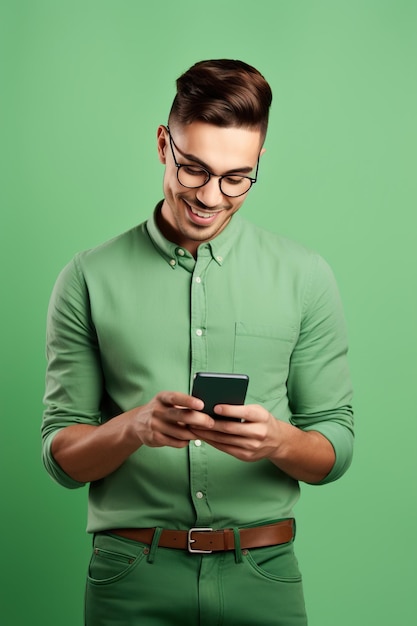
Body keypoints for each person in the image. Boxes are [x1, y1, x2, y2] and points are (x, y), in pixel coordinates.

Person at [41, 59, 354, 626]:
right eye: (193, 170)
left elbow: (336, 443)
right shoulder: (87, 277)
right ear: (164, 144)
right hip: (129, 577)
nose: (211, 195)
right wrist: (134, 427)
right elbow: (62, 459)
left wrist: (278, 441)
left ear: (258, 163)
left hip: (264, 576)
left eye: (237, 178)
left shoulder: (306, 276)